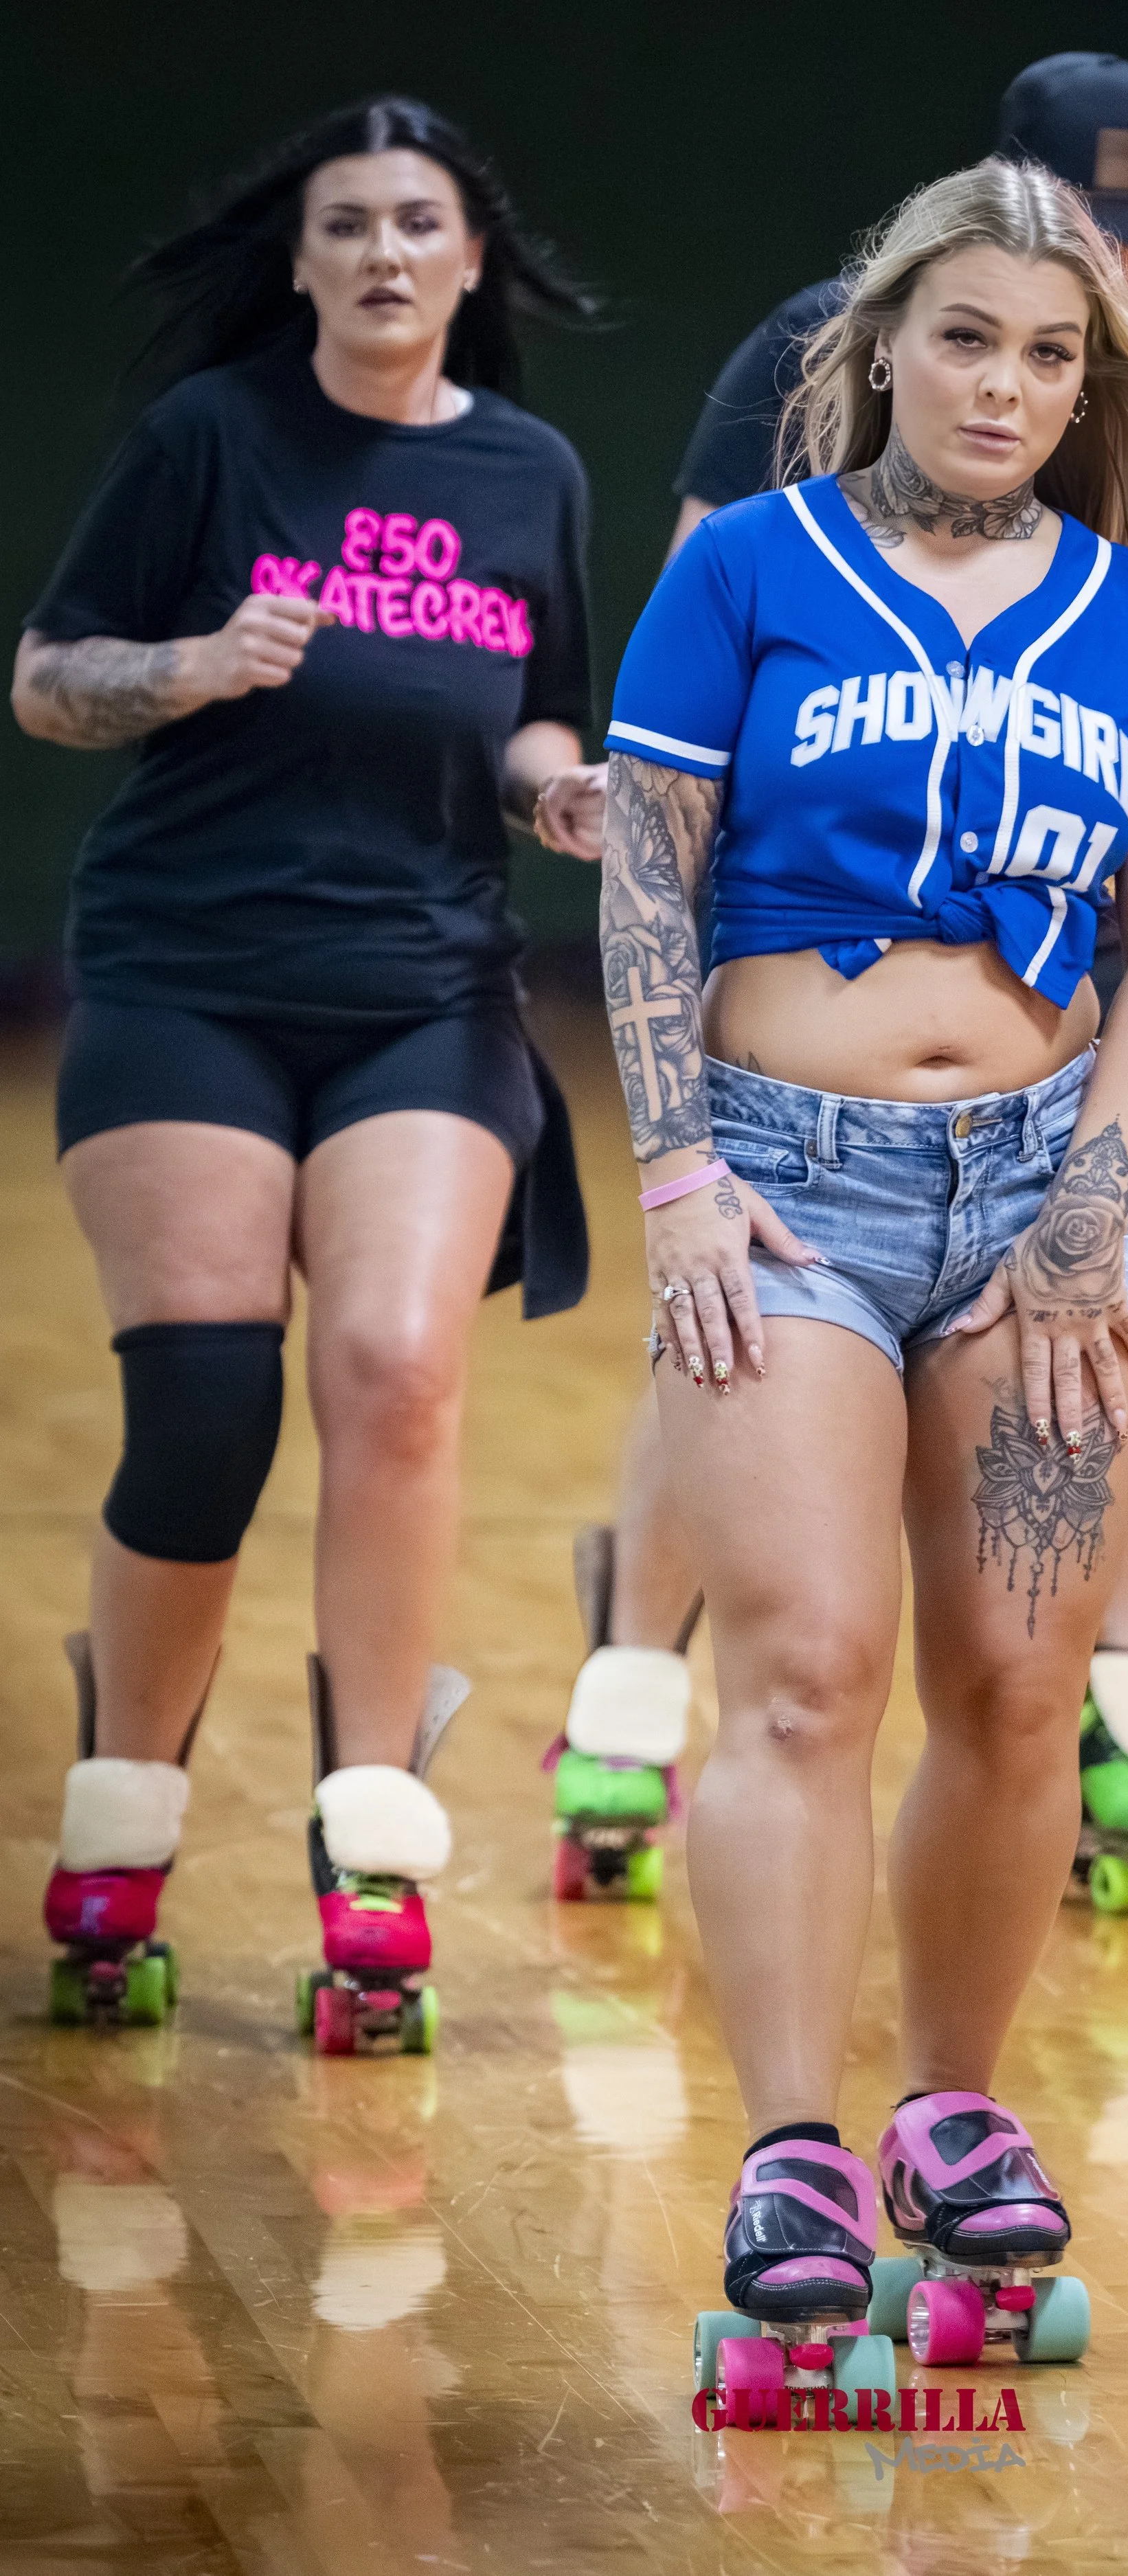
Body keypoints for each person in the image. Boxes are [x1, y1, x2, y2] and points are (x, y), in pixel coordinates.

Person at [596, 159, 1128, 2340]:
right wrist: (674, 1165)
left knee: (1025, 1680)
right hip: (782, 1181)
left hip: (1036, 1198)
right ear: (882, 340)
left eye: (1051, 353)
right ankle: (789, 2145)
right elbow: (646, 880)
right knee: (801, 1663)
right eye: (966, 335)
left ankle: (950, 2111)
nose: (1005, 382)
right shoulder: (753, 571)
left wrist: (1095, 1206)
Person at [12, 95, 604, 2044]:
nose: (377, 251)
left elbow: (532, 716)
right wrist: (187, 664)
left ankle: (371, 1845)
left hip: (421, 990)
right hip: (189, 971)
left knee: (397, 1369)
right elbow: (50, 674)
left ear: (465, 265)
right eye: (342, 223)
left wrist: (567, 790)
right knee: (204, 1409)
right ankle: (131, 1810)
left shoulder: (529, 470)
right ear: (299, 262)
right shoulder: (212, 441)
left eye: (415, 222)